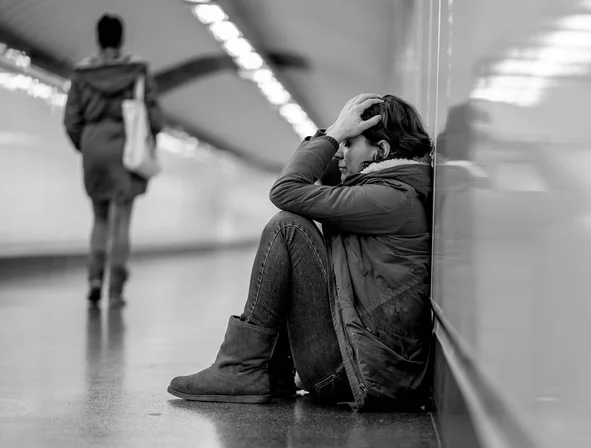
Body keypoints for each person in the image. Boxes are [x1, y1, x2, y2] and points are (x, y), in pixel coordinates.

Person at [168, 94, 434, 411]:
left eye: (349, 144)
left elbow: (285, 191)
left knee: (288, 228)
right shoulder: (391, 191)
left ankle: (242, 367)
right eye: (341, 143)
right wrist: (332, 135)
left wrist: (333, 132)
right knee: (296, 232)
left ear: (381, 151)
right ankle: (266, 371)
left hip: (357, 371)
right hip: (367, 357)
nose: (339, 153)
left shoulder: (391, 198)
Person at [64, 14, 164, 310]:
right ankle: (116, 290)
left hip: (93, 144)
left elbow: (71, 119)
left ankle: (94, 279)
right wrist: (150, 137)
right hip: (126, 146)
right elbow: (155, 117)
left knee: (99, 219)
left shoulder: (81, 74)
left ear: (98, 38)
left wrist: (85, 144)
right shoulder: (138, 70)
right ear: (121, 39)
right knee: (122, 222)